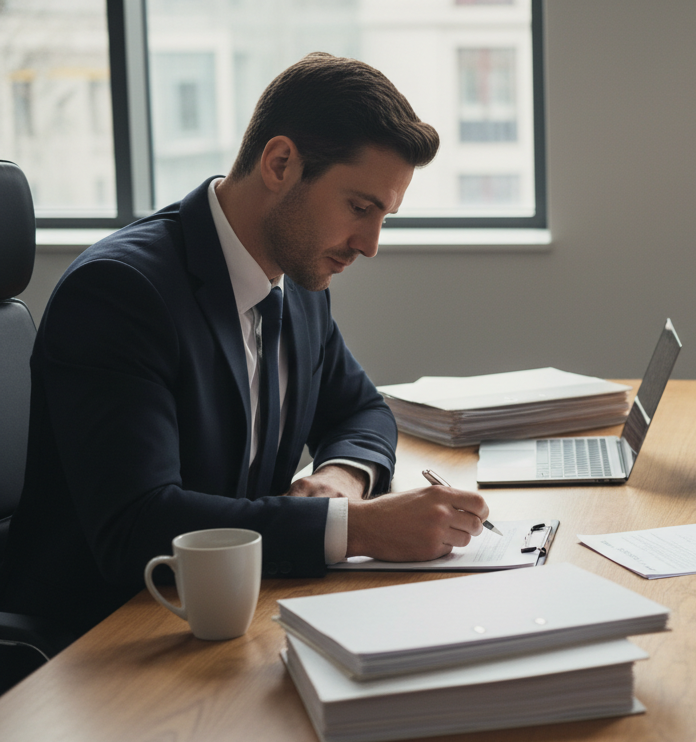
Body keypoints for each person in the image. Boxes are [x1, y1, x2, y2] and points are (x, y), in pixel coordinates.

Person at [0, 53, 489, 639]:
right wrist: (355, 528)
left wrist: (340, 478)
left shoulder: (298, 278)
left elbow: (361, 409)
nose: (370, 244)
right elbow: (141, 523)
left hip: (238, 612)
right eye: (360, 208)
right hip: (107, 640)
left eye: (384, 216)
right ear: (280, 163)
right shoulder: (119, 293)